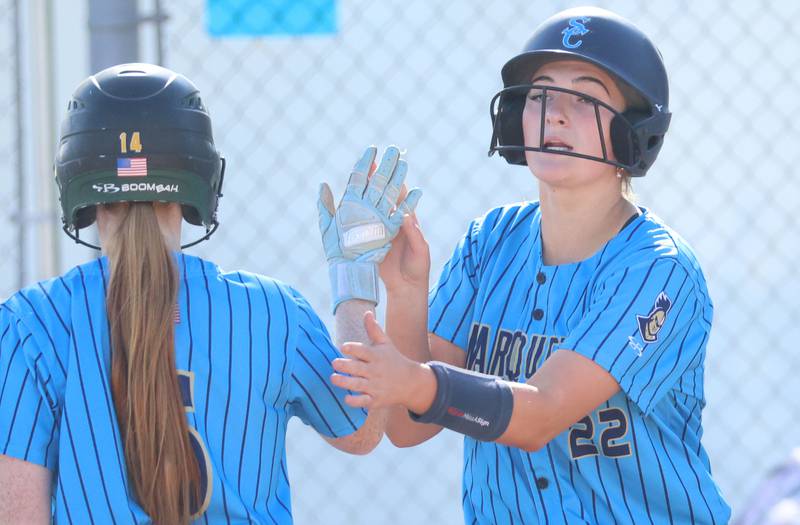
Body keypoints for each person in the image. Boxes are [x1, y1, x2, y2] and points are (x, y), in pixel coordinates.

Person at [329, 7, 732, 524]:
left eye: (585, 98)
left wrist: (415, 382)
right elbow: (409, 427)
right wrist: (405, 289)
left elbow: (540, 413)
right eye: (540, 95)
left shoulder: (657, 269)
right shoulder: (489, 240)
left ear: (635, 131)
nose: (554, 114)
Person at [0, 63, 413, 524]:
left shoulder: (29, 324)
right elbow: (360, 430)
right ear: (202, 180)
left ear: (75, 183)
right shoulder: (273, 313)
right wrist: (353, 279)